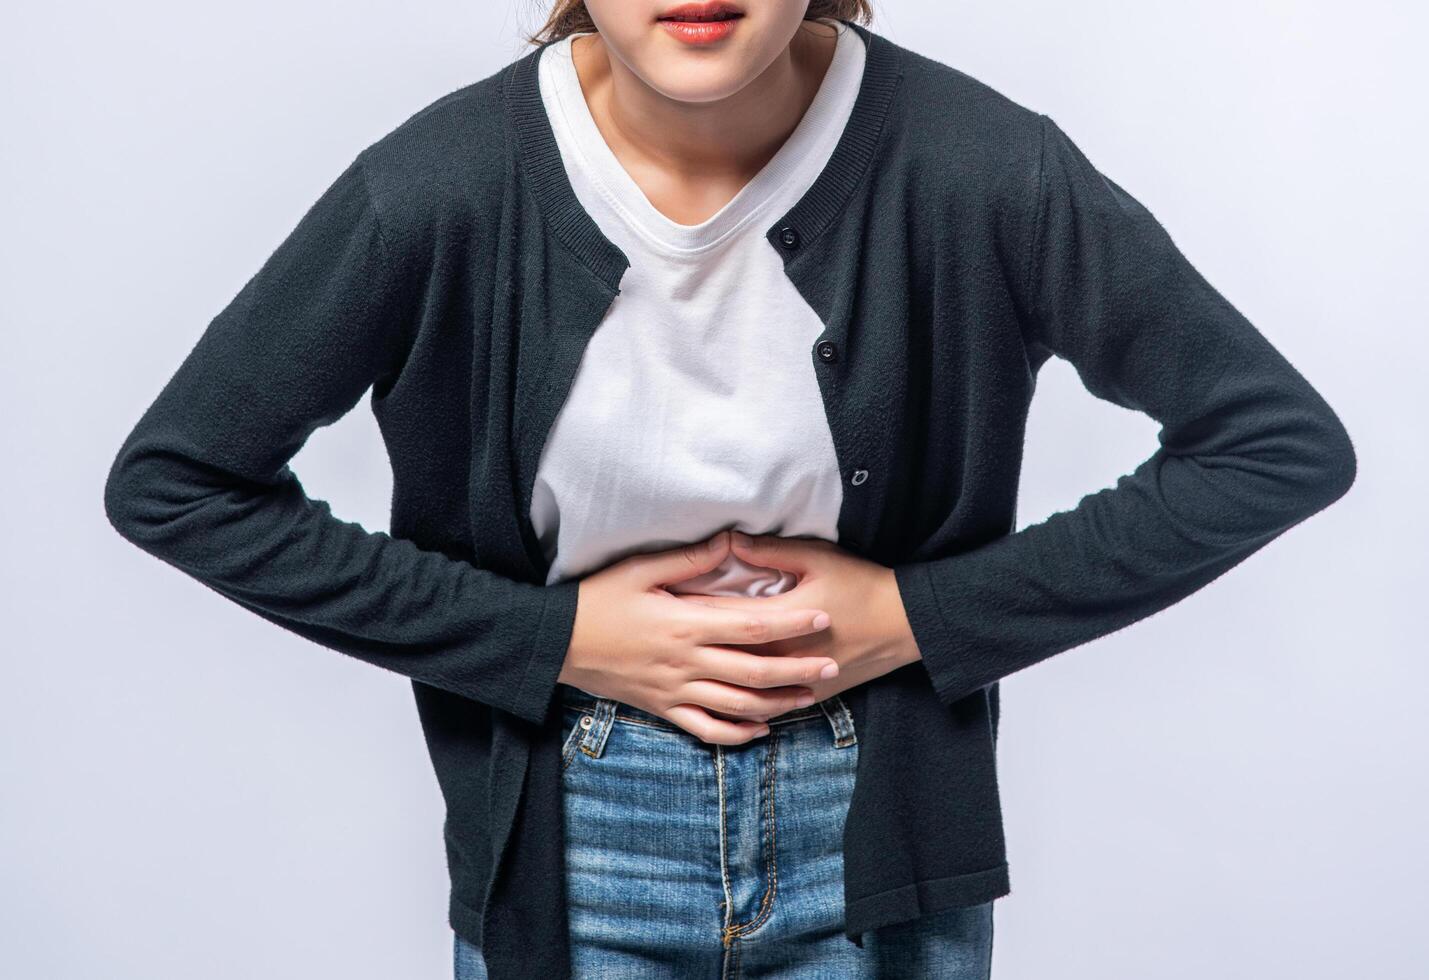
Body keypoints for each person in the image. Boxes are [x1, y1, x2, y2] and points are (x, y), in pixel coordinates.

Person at [103, 2, 1358, 979]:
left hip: (880, 830)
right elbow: (182, 480)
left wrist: (915, 616)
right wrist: (562, 640)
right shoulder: (438, 187)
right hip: (570, 829)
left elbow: (1270, 442)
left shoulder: (983, 168)